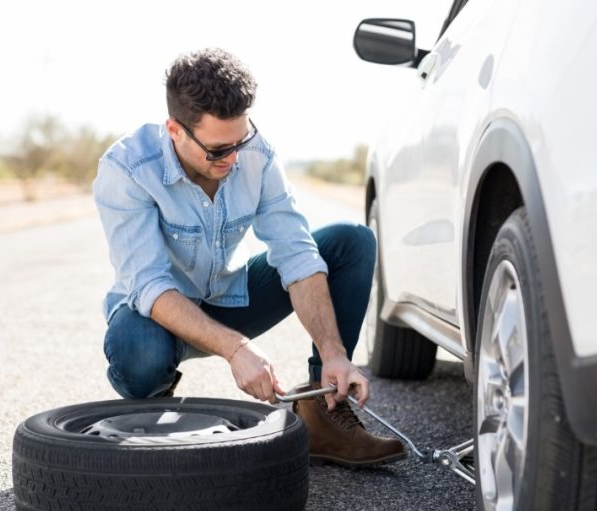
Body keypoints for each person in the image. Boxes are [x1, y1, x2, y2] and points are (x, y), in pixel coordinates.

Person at [92, 48, 405, 467]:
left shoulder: (256, 154)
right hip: (157, 319)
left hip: (230, 296)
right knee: (138, 350)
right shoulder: (127, 168)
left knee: (352, 241)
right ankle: (153, 412)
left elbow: (295, 253)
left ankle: (323, 413)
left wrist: (334, 352)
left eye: (240, 141)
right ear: (175, 130)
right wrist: (237, 350)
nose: (234, 158)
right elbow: (150, 286)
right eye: (219, 150)